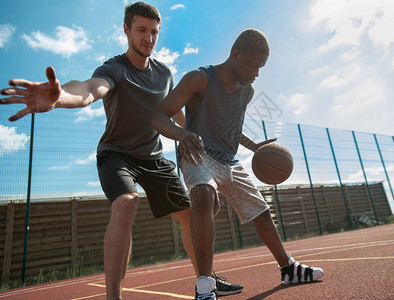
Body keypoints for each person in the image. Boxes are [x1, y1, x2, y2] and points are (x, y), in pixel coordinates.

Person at [0, 2, 242, 299]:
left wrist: (193, 136)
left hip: (153, 157)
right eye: (141, 30)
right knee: (127, 202)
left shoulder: (164, 73)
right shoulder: (114, 69)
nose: (148, 38)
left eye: (154, 32)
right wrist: (60, 96)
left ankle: (207, 280)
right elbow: (89, 88)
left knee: (191, 216)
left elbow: (175, 114)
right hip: (117, 155)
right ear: (126, 30)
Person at [151, 28, 325, 299]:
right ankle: (205, 285)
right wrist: (182, 134)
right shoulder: (200, 78)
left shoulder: (247, 90)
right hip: (198, 155)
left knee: (261, 211)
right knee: (204, 194)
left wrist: (253, 147)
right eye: (253, 65)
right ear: (235, 54)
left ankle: (288, 268)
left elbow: (231, 126)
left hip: (229, 160)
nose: (256, 72)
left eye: (261, 68)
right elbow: (159, 116)